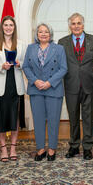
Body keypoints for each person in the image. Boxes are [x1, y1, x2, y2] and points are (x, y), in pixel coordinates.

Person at [23, 23, 67, 161]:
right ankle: (41, 149)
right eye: (40, 32)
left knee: (53, 121)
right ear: (37, 34)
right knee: (38, 120)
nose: (43, 34)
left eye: (46, 32)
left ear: (50, 34)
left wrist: (49, 82)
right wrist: (35, 81)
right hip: (36, 89)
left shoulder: (59, 49)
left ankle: (52, 149)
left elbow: (63, 68)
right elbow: (26, 66)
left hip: (53, 89)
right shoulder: (30, 48)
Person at [58, 13, 93, 160]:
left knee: (88, 118)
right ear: (70, 26)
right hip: (71, 85)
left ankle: (87, 147)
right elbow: (60, 64)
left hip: (89, 84)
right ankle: (74, 146)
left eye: (79, 23)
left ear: (83, 25)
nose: (76, 26)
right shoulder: (62, 42)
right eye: (73, 23)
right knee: (73, 118)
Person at [0, 15, 26, 162]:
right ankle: (3, 148)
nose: (8, 27)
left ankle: (13, 148)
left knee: (15, 118)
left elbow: (25, 63)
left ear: (14, 27)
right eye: (6, 25)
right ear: (2, 27)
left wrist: (19, 63)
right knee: (1, 118)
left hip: (16, 86)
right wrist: (1, 66)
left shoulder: (22, 44)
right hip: (0, 86)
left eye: (11, 25)